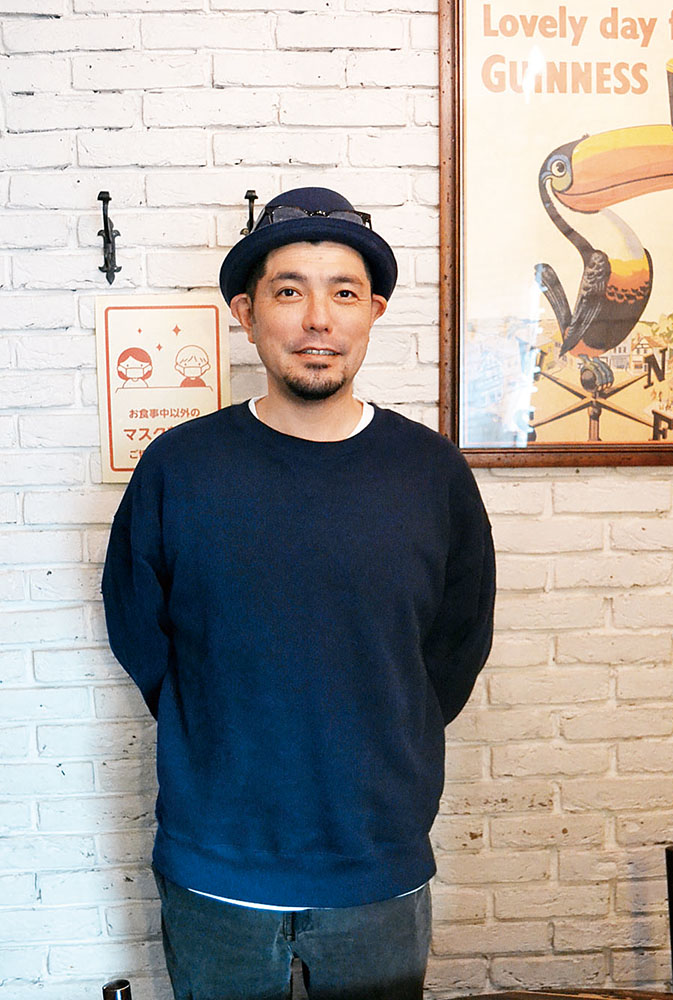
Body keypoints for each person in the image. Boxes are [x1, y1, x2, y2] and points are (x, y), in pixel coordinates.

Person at [102, 187, 496, 1000]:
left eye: (343, 293)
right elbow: (140, 632)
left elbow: (456, 646)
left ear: (373, 312)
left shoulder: (430, 473)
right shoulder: (179, 467)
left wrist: (390, 732)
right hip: (214, 868)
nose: (318, 320)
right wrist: (214, 729)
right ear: (247, 314)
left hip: (376, 863)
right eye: (289, 291)